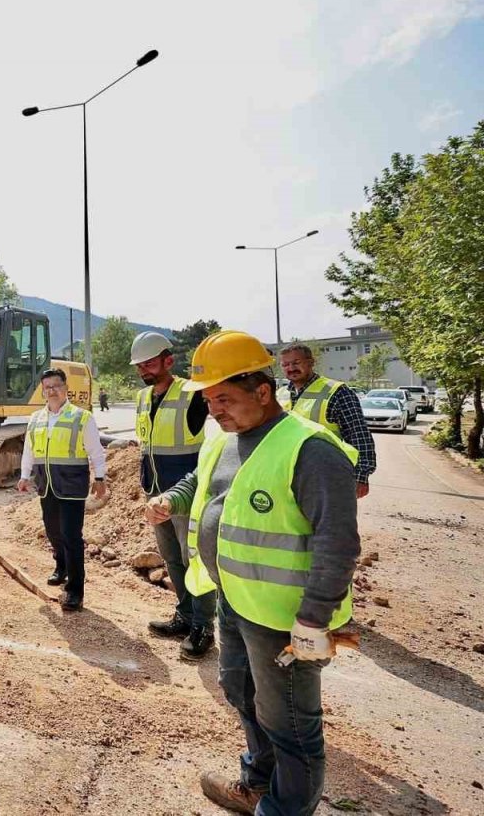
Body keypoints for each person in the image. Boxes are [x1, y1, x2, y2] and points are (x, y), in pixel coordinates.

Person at [145, 330, 359, 816]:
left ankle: (282, 809)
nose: (214, 409)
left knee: (290, 723)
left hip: (286, 619)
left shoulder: (310, 449)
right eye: (208, 399)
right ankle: (257, 784)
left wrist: (313, 619)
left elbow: (338, 542)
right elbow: (203, 483)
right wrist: (171, 500)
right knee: (240, 692)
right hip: (234, 601)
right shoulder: (226, 439)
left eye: (224, 398)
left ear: (262, 392)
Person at [130, 331, 215, 660]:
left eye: (149, 363)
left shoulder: (192, 393)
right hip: (155, 490)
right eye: (139, 366)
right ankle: (185, 614)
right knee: (172, 558)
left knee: (194, 559)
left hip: (186, 491)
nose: (143, 371)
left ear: (169, 360)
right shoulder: (141, 398)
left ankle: (204, 625)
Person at [17, 368, 108, 611]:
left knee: (71, 536)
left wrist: (100, 477)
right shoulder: (36, 418)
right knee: (53, 532)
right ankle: (62, 567)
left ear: (65, 388)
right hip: (46, 485)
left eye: (56, 386)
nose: (52, 391)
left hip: (71, 486)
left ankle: (75, 589)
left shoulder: (81, 417)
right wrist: (25, 475)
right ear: (43, 391)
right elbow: (30, 450)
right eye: (47, 387)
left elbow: (96, 451)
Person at [279, 343, 376, 499]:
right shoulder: (280, 394)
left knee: (328, 523)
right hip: (285, 477)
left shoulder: (336, 392)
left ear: (311, 362)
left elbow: (358, 434)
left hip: (325, 475)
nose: (291, 368)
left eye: (296, 363)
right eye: (285, 364)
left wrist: (361, 476)